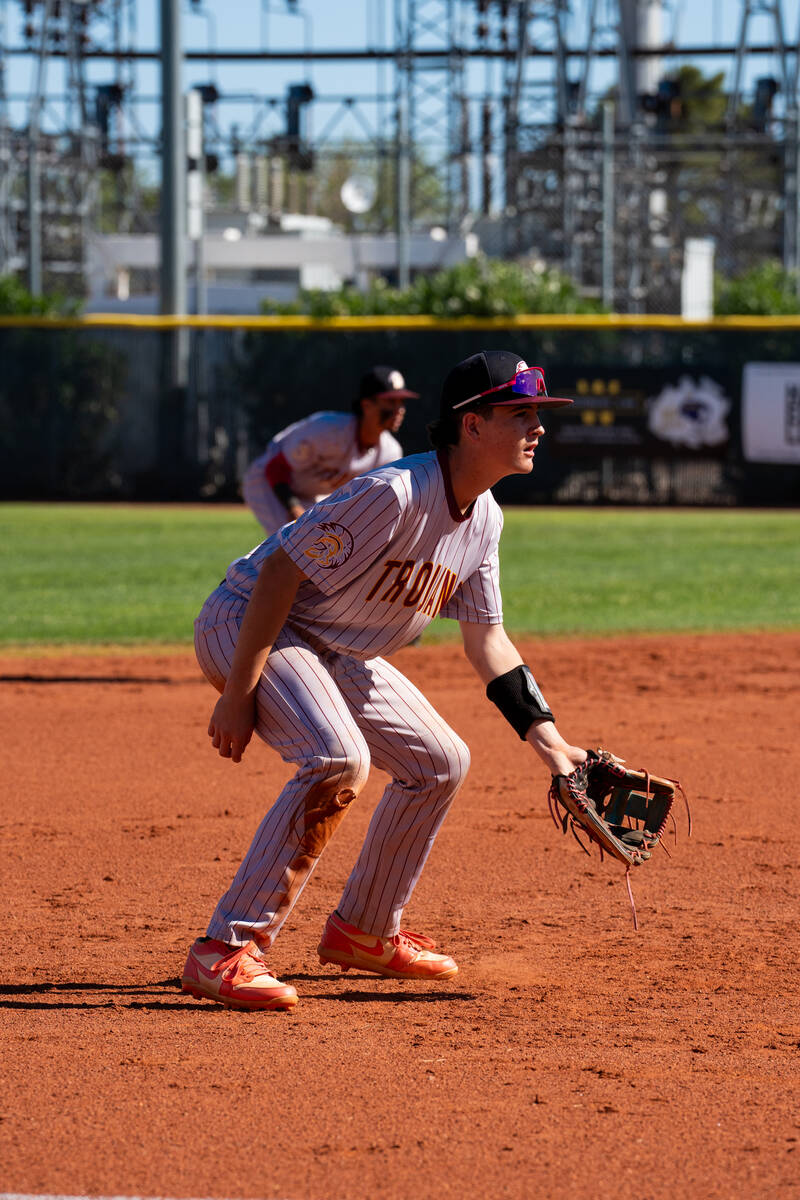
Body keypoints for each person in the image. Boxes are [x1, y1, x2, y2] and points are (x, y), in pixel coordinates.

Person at [182, 349, 588, 1012]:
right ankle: (224, 951)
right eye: (521, 414)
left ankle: (364, 931)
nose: (537, 427)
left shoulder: (484, 519)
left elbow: (488, 639)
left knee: (440, 761)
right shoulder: (394, 493)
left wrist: (553, 745)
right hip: (250, 623)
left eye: (537, 415)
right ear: (473, 425)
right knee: (339, 758)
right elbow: (280, 575)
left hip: (340, 651)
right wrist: (237, 693)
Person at [241, 365, 417, 534]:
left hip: (312, 493)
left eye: (401, 402)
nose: (399, 409)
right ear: (366, 405)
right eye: (390, 401)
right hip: (268, 482)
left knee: (320, 552)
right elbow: (276, 467)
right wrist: (293, 507)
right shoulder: (326, 430)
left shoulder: (390, 452)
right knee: (288, 545)